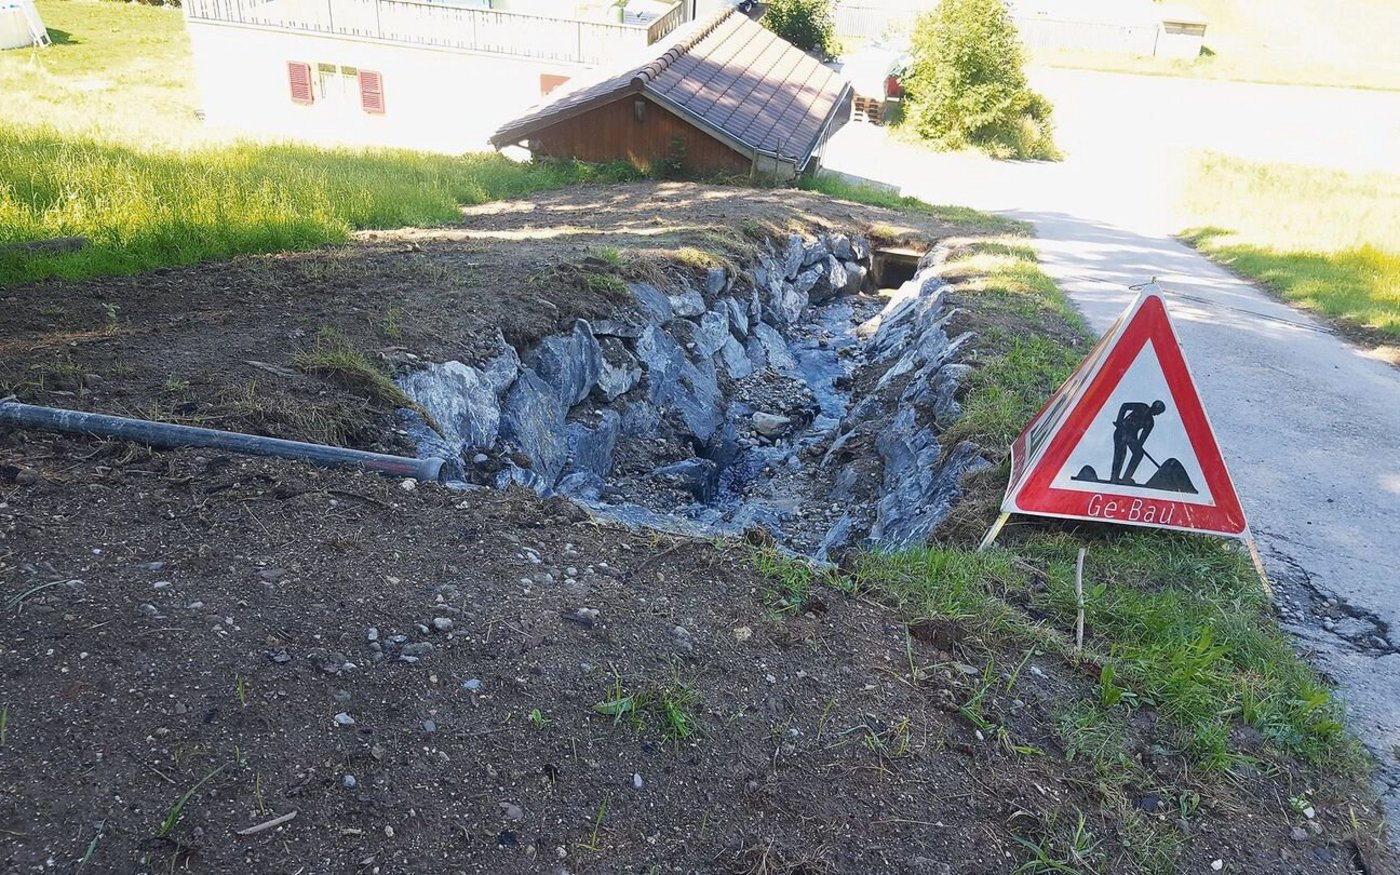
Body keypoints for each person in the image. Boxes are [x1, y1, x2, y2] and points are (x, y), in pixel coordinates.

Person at [1110, 400, 1165, 485]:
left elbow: (1141, 440)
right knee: (1121, 453)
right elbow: (1124, 406)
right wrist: (1119, 422)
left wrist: (1137, 445)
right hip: (1121, 431)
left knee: (1139, 454)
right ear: (1154, 407)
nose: (1157, 414)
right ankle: (1114, 478)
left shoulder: (1150, 423)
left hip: (1132, 438)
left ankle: (1126, 478)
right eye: (1158, 411)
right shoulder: (1142, 407)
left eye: (1159, 413)